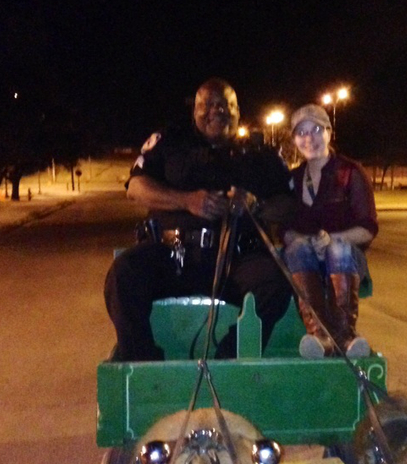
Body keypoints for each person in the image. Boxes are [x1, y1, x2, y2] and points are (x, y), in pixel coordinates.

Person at [104, 78, 294, 361]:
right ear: (194, 110)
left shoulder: (261, 154)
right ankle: (144, 365)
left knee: (276, 282)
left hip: (237, 260)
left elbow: (289, 204)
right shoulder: (168, 142)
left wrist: (257, 206)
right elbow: (136, 188)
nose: (215, 111)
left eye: (224, 105)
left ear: (237, 111)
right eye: (206, 105)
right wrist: (186, 200)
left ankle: (227, 362)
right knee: (123, 274)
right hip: (173, 256)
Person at [283, 104, 378, 359]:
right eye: (301, 132)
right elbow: (285, 229)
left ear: (328, 132)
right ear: (294, 139)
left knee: (338, 248)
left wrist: (333, 239)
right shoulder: (292, 179)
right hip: (307, 262)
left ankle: (345, 334)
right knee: (297, 247)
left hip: (346, 260)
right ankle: (319, 335)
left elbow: (368, 228)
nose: (309, 138)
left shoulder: (350, 173)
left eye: (315, 129)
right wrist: (297, 237)